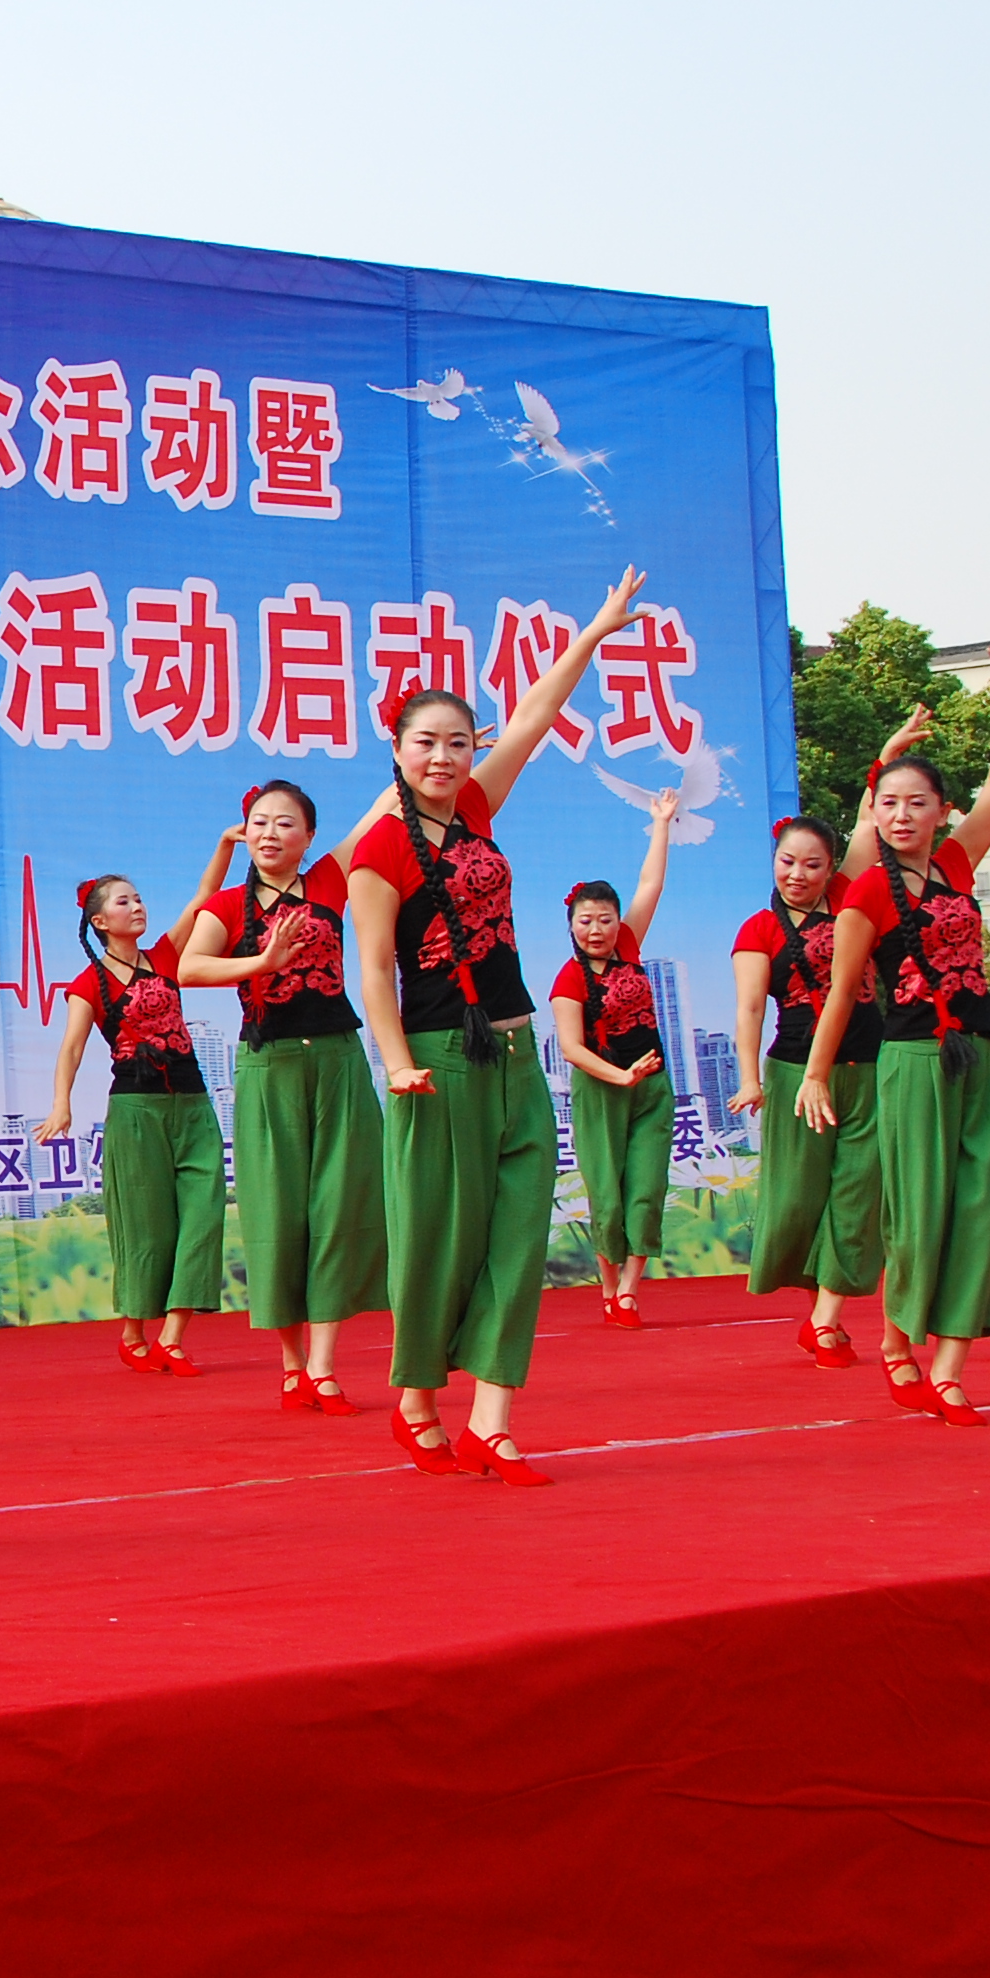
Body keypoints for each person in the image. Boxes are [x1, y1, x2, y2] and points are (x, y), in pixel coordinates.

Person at [345, 569, 646, 1490]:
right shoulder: (378, 848)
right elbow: (375, 971)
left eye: (457, 742)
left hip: (515, 1052)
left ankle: (493, 1422)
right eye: (425, 743)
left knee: (518, 1234)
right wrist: (397, 1063)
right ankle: (416, 1401)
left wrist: (594, 633)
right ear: (396, 749)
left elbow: (535, 715)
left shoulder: (475, 808)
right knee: (443, 1235)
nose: (443, 758)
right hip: (438, 1061)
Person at [798, 641, 990, 1425]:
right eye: (889, 803)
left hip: (982, 1056)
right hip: (909, 1060)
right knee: (918, 1208)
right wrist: (815, 1073)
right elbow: (843, 994)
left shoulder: (958, 869)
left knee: (978, 1207)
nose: (902, 815)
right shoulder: (867, 891)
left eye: (917, 803)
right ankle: (897, 1337)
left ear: (942, 811)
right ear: (875, 813)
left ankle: (950, 1368)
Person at [176, 782, 387, 1412]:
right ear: (246, 833)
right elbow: (189, 967)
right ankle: (294, 1363)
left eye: (285, 823)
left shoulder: (328, 879)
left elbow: (382, 810)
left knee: (338, 1208)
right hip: (269, 1066)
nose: (270, 833)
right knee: (277, 1214)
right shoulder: (228, 905)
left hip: (338, 1059)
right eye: (259, 822)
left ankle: (322, 1366)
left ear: (309, 836)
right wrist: (262, 963)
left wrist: (417, 750)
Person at [36, 868, 229, 1375]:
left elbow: (204, 897)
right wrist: (61, 1104)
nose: (137, 907)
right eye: (124, 902)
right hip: (136, 1112)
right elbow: (72, 1048)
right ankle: (133, 1334)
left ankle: (172, 1337)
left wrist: (227, 845)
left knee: (204, 1217)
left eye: (139, 899)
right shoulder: (88, 984)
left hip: (193, 1106)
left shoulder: (165, 955)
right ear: (100, 921)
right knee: (146, 1229)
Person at [734, 813, 885, 1364]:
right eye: (787, 862)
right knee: (799, 1197)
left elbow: (868, 821)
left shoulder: (847, 897)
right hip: (797, 1072)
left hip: (869, 1065)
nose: (797, 874)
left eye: (812, 865)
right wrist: (750, 1079)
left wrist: (885, 772)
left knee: (858, 1191)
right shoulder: (759, 929)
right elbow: (751, 1008)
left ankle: (824, 1321)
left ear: (831, 868)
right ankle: (819, 1307)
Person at [550, 791, 680, 1328]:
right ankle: (608, 1285)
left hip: (652, 1088)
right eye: (586, 921)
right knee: (607, 1196)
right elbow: (572, 1048)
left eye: (605, 919)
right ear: (572, 926)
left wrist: (661, 824)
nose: (597, 930)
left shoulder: (628, 945)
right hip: (602, 1091)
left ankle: (628, 1290)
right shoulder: (569, 979)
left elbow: (651, 884)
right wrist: (621, 1076)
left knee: (645, 1190)